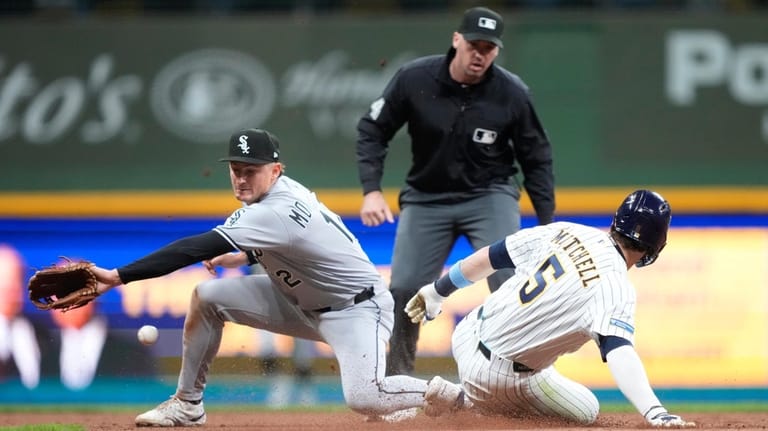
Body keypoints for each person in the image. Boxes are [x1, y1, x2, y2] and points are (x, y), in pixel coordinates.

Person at [86, 128, 441, 426]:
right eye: (236, 169)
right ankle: (187, 404)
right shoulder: (280, 193)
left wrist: (119, 276)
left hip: (355, 311)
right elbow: (297, 246)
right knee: (208, 298)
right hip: (301, 299)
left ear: (275, 170)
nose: (241, 178)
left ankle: (456, 395)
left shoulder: (275, 210)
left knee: (366, 397)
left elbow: (193, 248)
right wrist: (244, 254)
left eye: (251, 170)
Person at [356, 6, 555, 376]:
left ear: (496, 51)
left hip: (490, 194)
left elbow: (537, 158)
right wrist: (371, 190)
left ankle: (522, 378)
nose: (480, 54)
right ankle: (397, 384)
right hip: (427, 198)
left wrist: (547, 224)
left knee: (509, 282)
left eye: (489, 48)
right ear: (456, 40)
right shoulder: (415, 78)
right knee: (404, 289)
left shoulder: (511, 93)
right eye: (474, 45)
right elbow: (372, 130)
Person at [405, 190, 696, 428]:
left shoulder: (568, 230)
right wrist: (655, 411)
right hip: (496, 378)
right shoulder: (615, 287)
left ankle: (471, 396)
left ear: (617, 221)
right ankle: (463, 401)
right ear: (655, 245)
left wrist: (436, 290)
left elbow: (491, 257)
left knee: (542, 365)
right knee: (586, 409)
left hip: (468, 332)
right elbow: (619, 351)